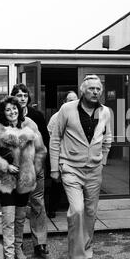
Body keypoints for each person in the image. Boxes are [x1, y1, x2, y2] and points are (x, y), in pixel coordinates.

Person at [50, 75, 112, 259]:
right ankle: (77, 258)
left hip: (94, 170)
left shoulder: (105, 112)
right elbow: (55, 138)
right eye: (91, 88)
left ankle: (86, 250)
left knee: (91, 213)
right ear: (83, 90)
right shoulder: (67, 109)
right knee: (76, 210)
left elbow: (107, 137)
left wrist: (103, 159)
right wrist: (54, 168)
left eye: (98, 89)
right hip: (70, 168)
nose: (95, 92)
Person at [0, 96, 47, 259]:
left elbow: (41, 151)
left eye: (15, 108)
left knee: (19, 218)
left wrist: (33, 169)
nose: (12, 112)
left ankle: (18, 248)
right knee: (8, 220)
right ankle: (9, 257)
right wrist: (5, 166)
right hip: (6, 182)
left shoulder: (30, 127)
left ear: (19, 109)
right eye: (8, 109)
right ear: (3, 112)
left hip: (25, 181)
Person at [11, 83, 51, 258]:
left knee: (38, 204)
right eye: (19, 95)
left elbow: (45, 143)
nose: (22, 98)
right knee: (17, 207)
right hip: (16, 170)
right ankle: (16, 244)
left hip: (35, 169)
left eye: (25, 95)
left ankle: (40, 243)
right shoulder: (6, 117)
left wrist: (41, 166)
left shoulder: (37, 117)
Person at [46, 90, 78, 218]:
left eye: (76, 99)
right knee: (57, 185)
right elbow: (52, 138)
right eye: (70, 100)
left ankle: (76, 210)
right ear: (64, 102)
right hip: (62, 156)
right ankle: (52, 209)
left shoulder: (82, 115)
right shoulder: (56, 117)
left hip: (77, 157)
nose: (74, 102)